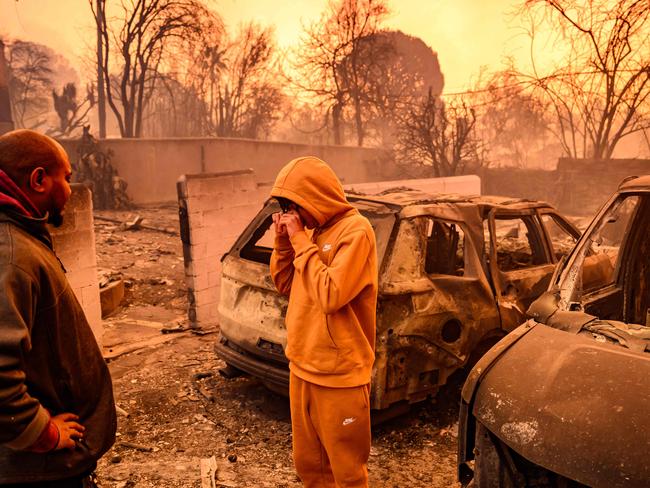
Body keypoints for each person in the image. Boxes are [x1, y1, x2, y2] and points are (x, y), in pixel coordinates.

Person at [0, 130, 116, 487]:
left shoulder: (21, 239)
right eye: (66, 178)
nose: (69, 189)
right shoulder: (11, 256)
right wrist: (43, 433)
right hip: (38, 472)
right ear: (38, 179)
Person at [270, 156, 378, 487]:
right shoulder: (314, 233)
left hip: (340, 376)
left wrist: (301, 241)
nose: (293, 215)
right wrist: (284, 243)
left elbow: (331, 294)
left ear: (316, 197)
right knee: (310, 467)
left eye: (295, 206)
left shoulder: (357, 232)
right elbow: (284, 284)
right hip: (302, 366)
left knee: (346, 473)